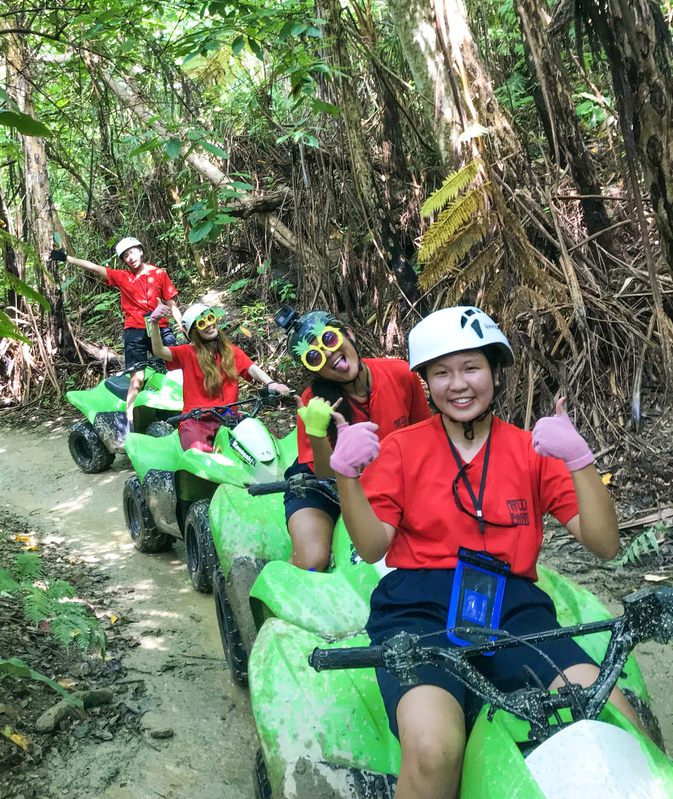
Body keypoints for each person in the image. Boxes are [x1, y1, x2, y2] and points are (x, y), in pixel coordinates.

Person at [329, 305, 642, 799]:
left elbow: (604, 544)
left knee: (613, 723)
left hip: (515, 610)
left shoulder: (533, 450)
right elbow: (371, 548)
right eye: (441, 372)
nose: (458, 384)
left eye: (471, 367)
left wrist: (580, 460)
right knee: (433, 750)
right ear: (426, 384)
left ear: (496, 372)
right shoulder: (402, 449)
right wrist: (346, 477)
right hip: (418, 608)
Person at [280, 308, 431, 572]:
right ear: (313, 370)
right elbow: (326, 474)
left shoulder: (401, 374)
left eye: (329, 340)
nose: (327, 354)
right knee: (313, 560)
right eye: (314, 356)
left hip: (390, 482)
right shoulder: (312, 402)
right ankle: (270, 580)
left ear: (348, 335)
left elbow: (427, 436)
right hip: (321, 486)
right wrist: (316, 432)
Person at [49, 236, 182, 419]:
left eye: (133, 252)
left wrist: (181, 324)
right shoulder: (122, 277)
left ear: (141, 250)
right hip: (135, 330)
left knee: (177, 368)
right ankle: (130, 419)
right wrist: (67, 259)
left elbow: (171, 302)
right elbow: (93, 267)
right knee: (137, 378)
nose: (131, 257)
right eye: (126, 255)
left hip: (161, 328)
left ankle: (183, 409)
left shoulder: (159, 274)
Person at [147, 300, 291, 452]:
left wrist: (271, 383)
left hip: (229, 417)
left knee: (267, 440)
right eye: (202, 323)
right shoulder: (187, 353)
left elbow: (251, 368)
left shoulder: (231, 352)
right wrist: (154, 323)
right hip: (197, 420)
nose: (209, 325)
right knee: (197, 450)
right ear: (194, 333)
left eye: (210, 318)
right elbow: (159, 351)